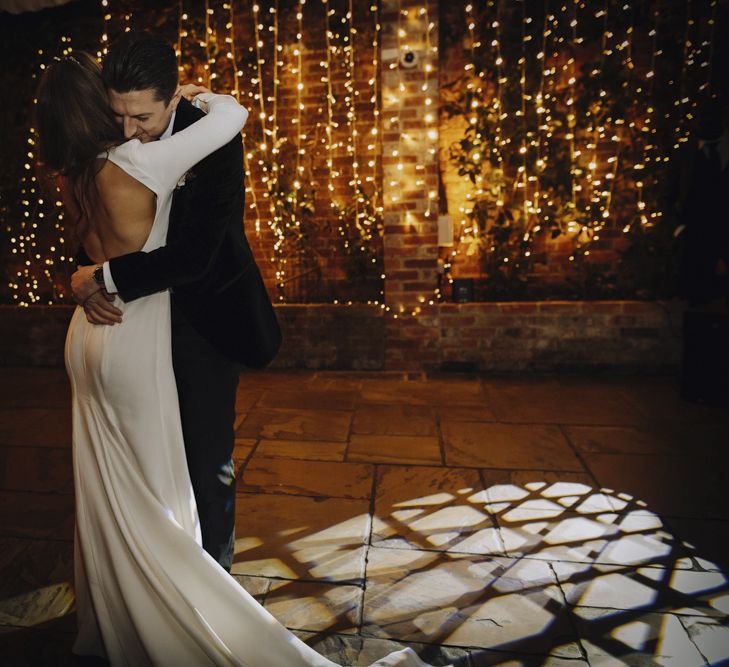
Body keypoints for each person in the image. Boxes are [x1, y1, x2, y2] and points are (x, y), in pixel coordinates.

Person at [36, 52, 427, 667]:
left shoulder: (71, 175)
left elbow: (94, 251)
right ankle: (183, 607)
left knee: (108, 491)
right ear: (99, 107)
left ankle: (115, 618)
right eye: (120, 111)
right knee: (160, 493)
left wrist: (91, 278)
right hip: (133, 332)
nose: (132, 122)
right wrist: (208, 97)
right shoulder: (140, 161)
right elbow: (234, 115)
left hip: (86, 338)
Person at [69, 31, 281, 573]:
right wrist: (84, 274)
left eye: (141, 117)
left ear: (173, 99)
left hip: (201, 319)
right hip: (136, 324)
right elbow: (94, 217)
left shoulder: (211, 137)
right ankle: (158, 580)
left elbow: (195, 255)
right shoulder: (113, 129)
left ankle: (217, 587)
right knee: (146, 461)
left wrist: (103, 278)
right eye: (118, 116)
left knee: (207, 462)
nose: (127, 132)